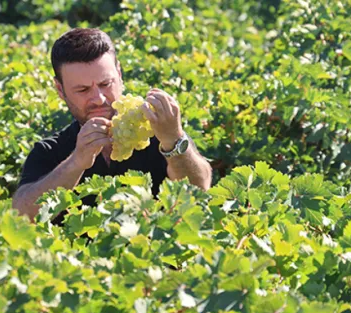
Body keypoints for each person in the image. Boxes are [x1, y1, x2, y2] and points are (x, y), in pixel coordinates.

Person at [12, 28, 212, 225]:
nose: (98, 99)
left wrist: (173, 140)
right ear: (60, 90)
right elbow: (21, 216)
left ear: (119, 73)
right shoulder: (50, 151)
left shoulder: (155, 130)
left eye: (105, 83)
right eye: (82, 90)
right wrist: (76, 162)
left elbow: (199, 188)